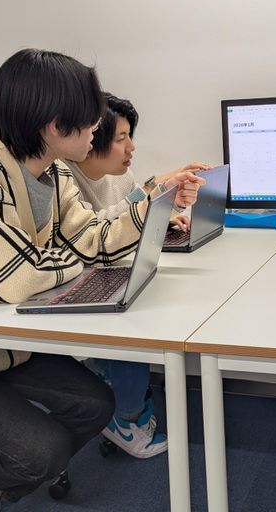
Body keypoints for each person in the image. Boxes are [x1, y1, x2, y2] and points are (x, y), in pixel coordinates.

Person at [0, 48, 204, 507]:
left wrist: (151, 208)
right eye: (88, 121)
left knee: (96, 404)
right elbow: (19, 277)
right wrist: (77, 260)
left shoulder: (53, 173)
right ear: (53, 126)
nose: (96, 129)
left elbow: (92, 239)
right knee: (40, 453)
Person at [63, 92, 209, 458]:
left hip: (111, 270)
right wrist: (151, 194)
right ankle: (125, 418)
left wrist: (161, 214)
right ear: (90, 139)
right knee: (133, 325)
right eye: (121, 138)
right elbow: (98, 229)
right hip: (76, 284)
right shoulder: (65, 179)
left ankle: (113, 388)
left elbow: (128, 214)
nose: (131, 147)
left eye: (131, 136)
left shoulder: (119, 175)